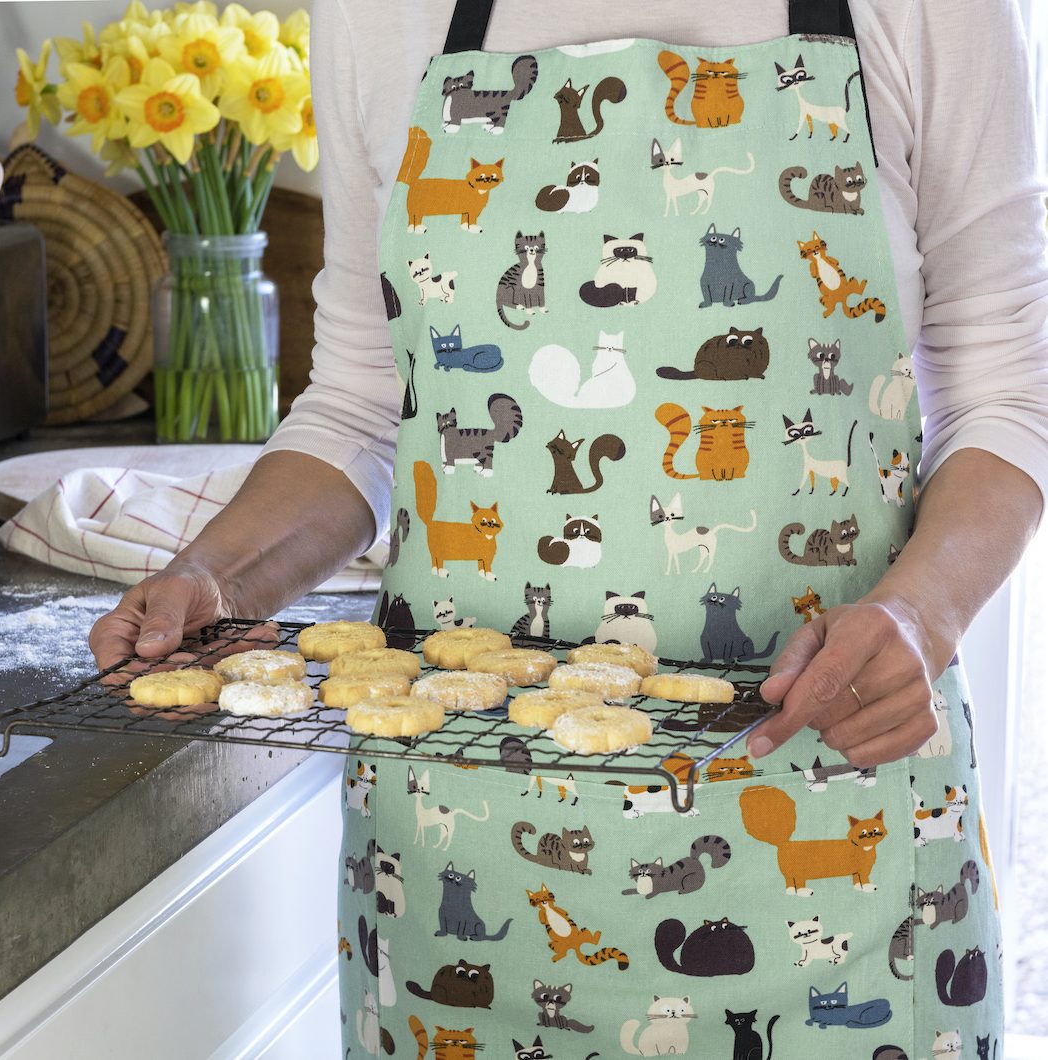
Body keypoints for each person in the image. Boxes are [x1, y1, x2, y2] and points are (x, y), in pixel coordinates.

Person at [92, 0, 1048, 1055]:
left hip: (834, 837)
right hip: (466, 860)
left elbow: (1008, 382)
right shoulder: (378, 14)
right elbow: (365, 401)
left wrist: (923, 610)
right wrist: (215, 574)